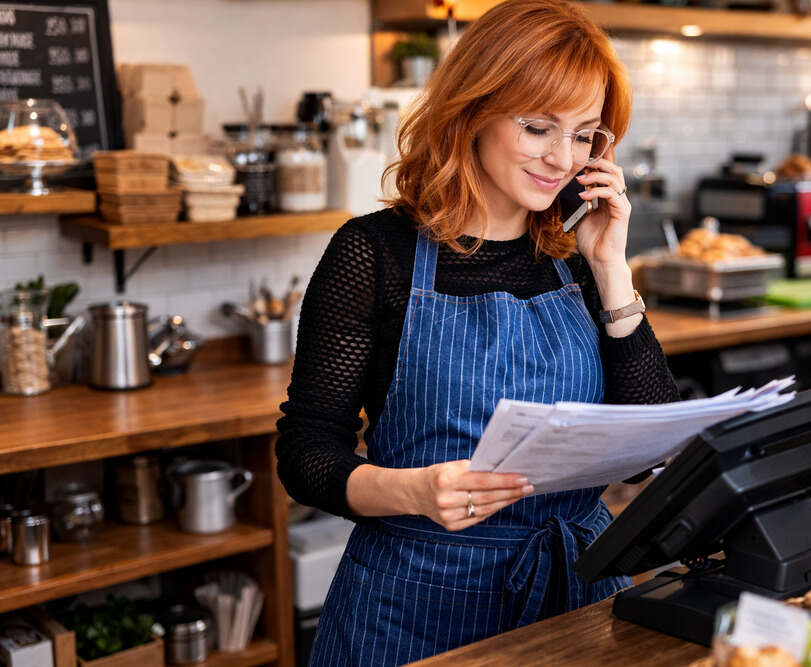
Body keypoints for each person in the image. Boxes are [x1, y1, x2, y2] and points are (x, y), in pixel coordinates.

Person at [276, 1, 679, 664]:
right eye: (538, 127)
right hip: (412, 607)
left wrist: (611, 266)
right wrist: (410, 491)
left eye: (584, 135)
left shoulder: (578, 254)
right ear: (473, 110)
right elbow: (306, 450)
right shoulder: (374, 254)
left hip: (577, 594)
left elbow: (646, 449)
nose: (561, 158)